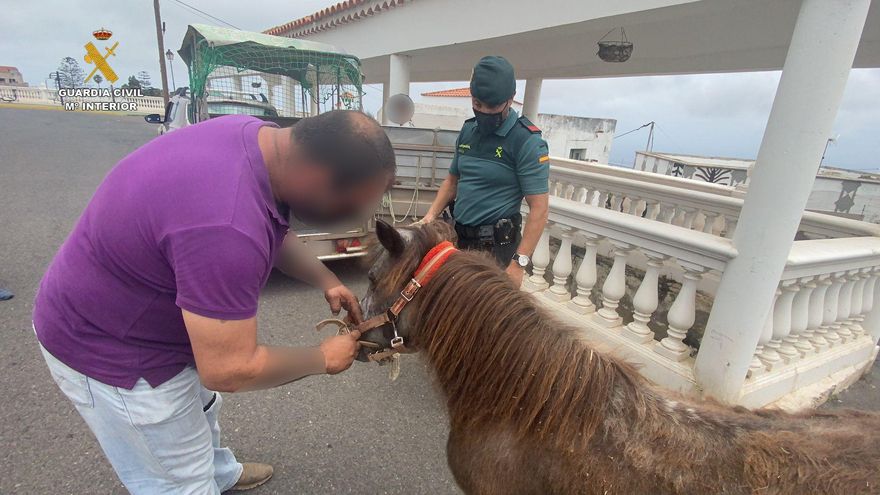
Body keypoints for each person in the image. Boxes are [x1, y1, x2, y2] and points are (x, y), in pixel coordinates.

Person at [33, 110, 395, 493]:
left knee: (203, 409)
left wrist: (325, 278)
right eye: (349, 205)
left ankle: (221, 473)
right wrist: (322, 359)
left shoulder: (258, 140)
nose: (352, 216)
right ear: (317, 177)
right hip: (115, 352)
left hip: (149, 316)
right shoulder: (225, 228)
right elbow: (229, 369)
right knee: (176, 479)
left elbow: (272, 225)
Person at [420, 56, 550, 287]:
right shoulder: (468, 130)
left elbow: (539, 209)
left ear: (510, 100)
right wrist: (430, 216)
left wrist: (518, 264)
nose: (484, 112)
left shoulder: (526, 141)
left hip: (496, 251)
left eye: (492, 107)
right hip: (459, 240)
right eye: (478, 105)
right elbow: (452, 181)